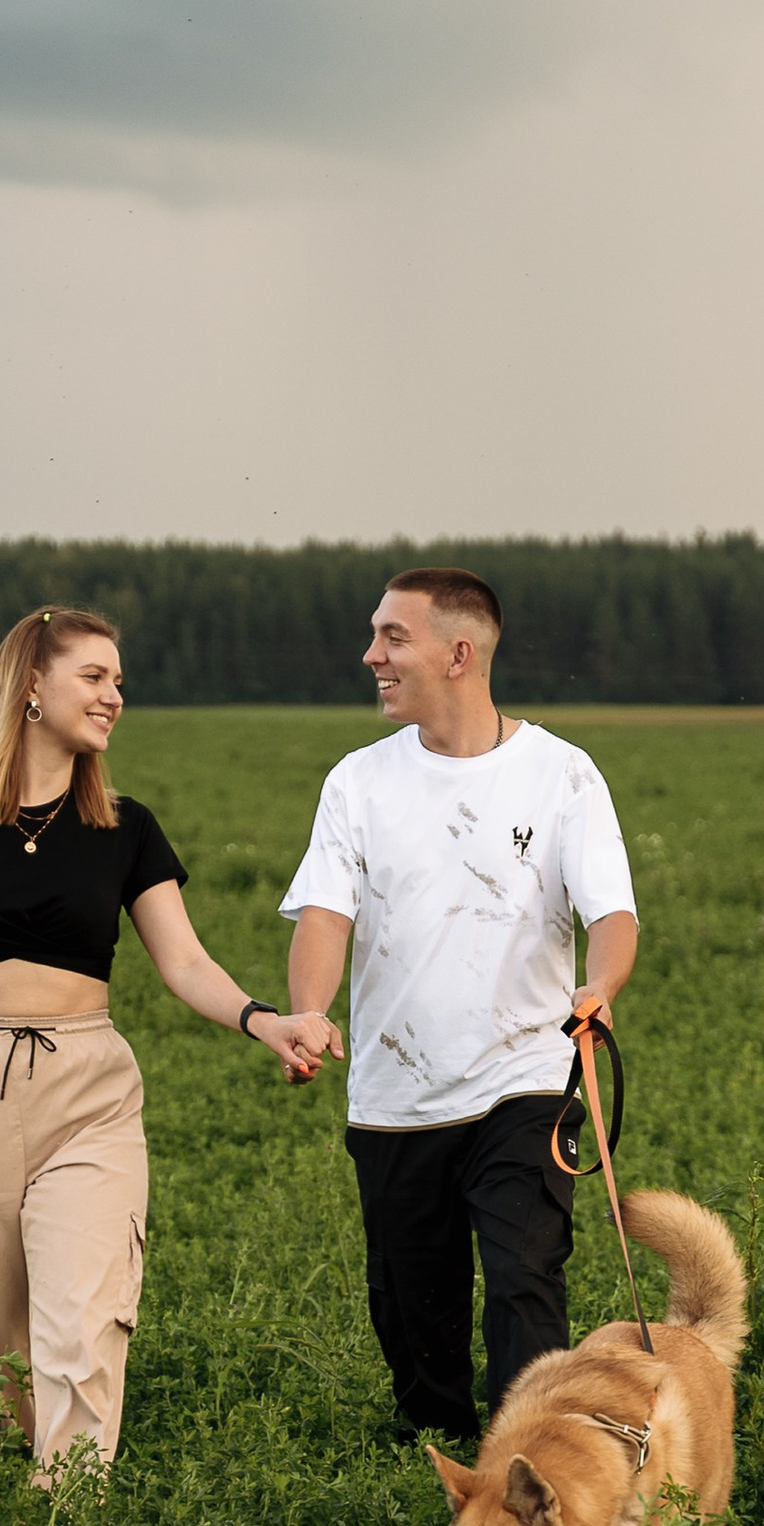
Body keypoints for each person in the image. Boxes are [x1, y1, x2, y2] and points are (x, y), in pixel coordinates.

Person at [0, 605, 342, 1478]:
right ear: (31, 686)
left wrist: (267, 1020)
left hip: (88, 1089)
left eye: (118, 679)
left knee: (82, 1325)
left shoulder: (127, 827)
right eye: (95, 676)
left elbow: (186, 962)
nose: (115, 695)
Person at [279, 565, 638, 1448]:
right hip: (396, 1095)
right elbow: (326, 912)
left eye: (392, 638)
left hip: (527, 1075)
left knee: (525, 1277)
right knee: (412, 1308)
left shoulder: (563, 774)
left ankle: (533, 1470)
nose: (371, 655)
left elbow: (613, 913)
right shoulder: (358, 782)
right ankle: (433, 1460)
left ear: (459, 653)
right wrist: (309, 1011)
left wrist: (601, 987)